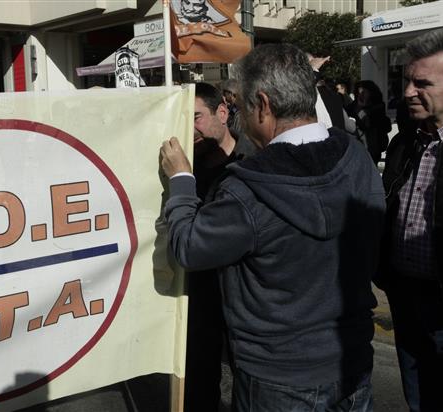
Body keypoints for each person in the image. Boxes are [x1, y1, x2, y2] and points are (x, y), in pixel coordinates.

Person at [160, 43, 385, 411]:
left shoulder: (246, 188)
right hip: (351, 359)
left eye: (240, 106)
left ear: (262, 105)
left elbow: (188, 247)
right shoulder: (356, 156)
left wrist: (181, 179)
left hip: (276, 375)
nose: (239, 117)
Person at [378, 27, 443, 412]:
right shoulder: (406, 141)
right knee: (420, 397)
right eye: (408, 81)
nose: (409, 92)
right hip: (406, 296)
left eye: (422, 83)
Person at [182, 82, 243, 412]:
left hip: (243, 296)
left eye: (196, 117)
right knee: (198, 381)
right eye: (183, 119)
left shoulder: (252, 161)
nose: (190, 128)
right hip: (200, 293)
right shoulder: (184, 168)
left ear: (222, 112)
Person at [346, 80, 392, 164]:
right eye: (358, 92)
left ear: (371, 93)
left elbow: (371, 125)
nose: (360, 95)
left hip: (373, 149)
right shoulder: (351, 108)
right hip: (356, 149)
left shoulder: (378, 108)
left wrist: (360, 111)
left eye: (363, 92)